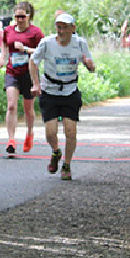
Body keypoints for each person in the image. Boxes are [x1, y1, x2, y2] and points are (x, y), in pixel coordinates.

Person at [28, 13, 95, 181]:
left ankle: (67, 164)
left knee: (70, 131)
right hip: (49, 90)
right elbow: (33, 61)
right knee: (50, 133)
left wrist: (88, 64)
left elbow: (92, 67)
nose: (62, 31)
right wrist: (35, 83)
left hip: (70, 90)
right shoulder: (47, 43)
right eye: (59, 27)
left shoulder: (80, 44)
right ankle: (56, 151)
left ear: (73, 28)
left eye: (65, 27)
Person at [0, 1, 44, 155]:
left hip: (29, 73)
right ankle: (11, 140)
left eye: (22, 16)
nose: (19, 19)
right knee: (11, 105)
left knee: (28, 109)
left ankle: (29, 133)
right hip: (12, 72)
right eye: (16, 16)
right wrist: (2, 57)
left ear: (29, 16)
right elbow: (5, 44)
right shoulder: (8, 30)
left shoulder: (36, 33)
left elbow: (41, 52)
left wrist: (25, 49)